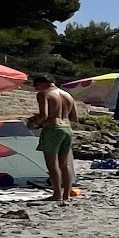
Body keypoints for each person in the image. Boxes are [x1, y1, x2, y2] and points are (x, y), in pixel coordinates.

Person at [31, 73, 79, 203]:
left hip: (53, 129)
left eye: (36, 85)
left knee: (52, 164)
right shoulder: (67, 95)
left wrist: (33, 124)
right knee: (64, 164)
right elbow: (74, 117)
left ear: (42, 83)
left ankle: (57, 193)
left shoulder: (43, 94)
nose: (36, 88)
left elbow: (44, 115)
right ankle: (66, 195)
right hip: (67, 129)